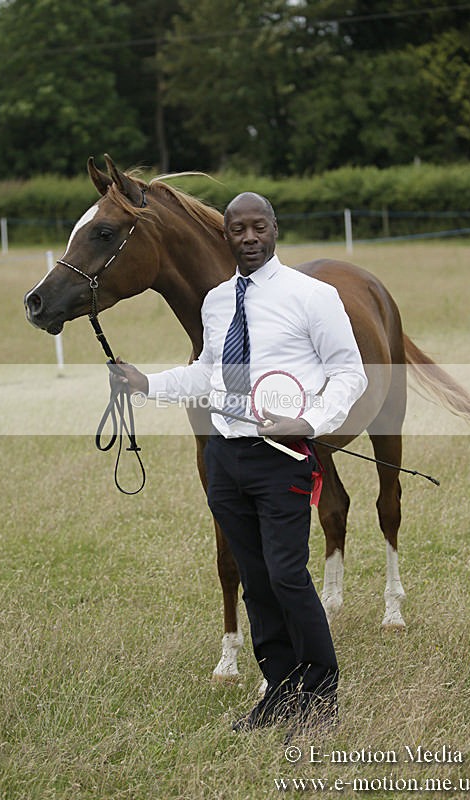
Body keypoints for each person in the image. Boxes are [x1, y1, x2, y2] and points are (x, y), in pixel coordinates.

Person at [111, 192, 367, 733]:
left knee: (288, 576)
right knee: (254, 579)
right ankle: (278, 690)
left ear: (275, 230)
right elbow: (207, 373)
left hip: (281, 458)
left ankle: (320, 697)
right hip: (226, 459)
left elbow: (350, 373)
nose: (249, 238)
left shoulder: (312, 296)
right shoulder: (217, 302)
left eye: (258, 227)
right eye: (237, 230)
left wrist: (312, 422)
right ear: (225, 236)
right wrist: (148, 384)